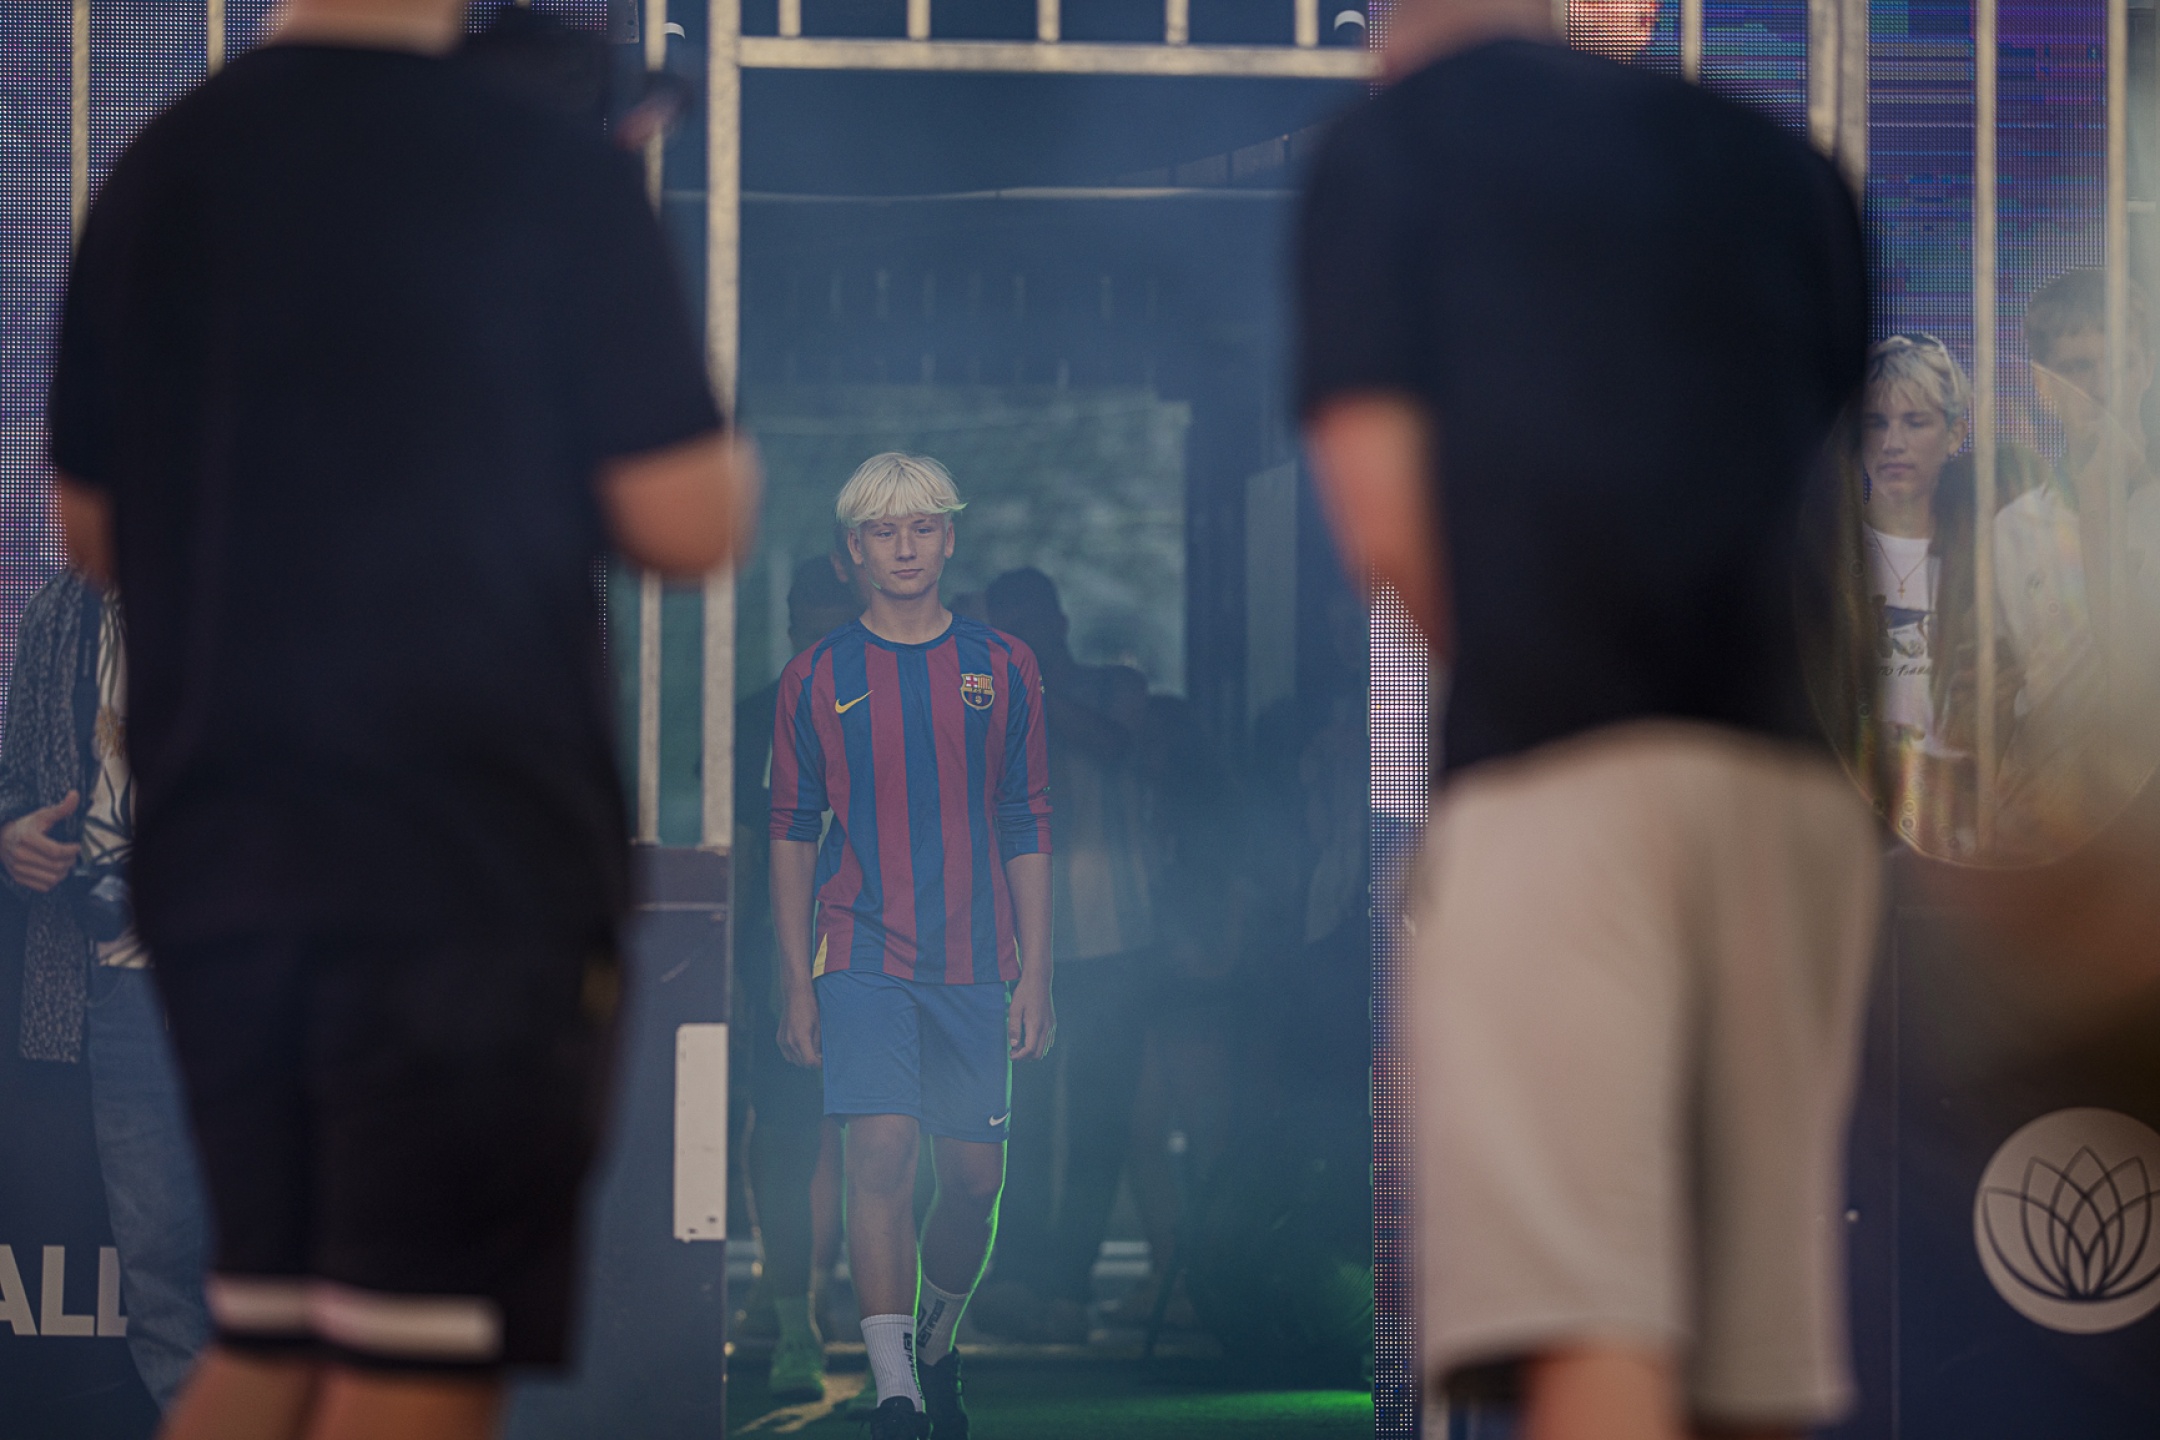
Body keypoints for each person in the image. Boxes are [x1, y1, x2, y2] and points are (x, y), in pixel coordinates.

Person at [44, 0, 758, 1435]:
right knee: (415, 1360)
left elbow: (93, 532)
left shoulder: (167, 165)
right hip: (458, 861)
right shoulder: (541, 164)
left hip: (220, 854)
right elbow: (688, 522)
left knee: (263, 1336)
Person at [1298, 2, 1876, 1438]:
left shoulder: (1392, 147)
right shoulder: (1783, 165)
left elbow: (1383, 514)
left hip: (1564, 779)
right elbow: (1828, 494)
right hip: (1800, 788)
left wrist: (1531, 675)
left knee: (1593, 1331)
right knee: (1753, 1358)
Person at [770, 453, 1053, 1440]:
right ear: (852, 550)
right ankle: (895, 1395)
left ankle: (936, 1344)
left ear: (948, 538)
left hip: (978, 961)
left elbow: (1026, 818)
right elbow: (790, 832)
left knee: (973, 1183)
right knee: (880, 1154)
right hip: (860, 953)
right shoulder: (816, 675)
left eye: (922, 528)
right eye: (883, 532)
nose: (904, 548)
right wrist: (796, 983)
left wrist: (1038, 973)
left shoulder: (1004, 664)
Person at [0, 570, 211, 1409]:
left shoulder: (268, 586)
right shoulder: (58, 611)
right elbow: (13, 777)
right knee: (160, 1283)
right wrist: (12, 835)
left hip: (246, 991)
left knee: (287, 1277)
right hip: (115, 988)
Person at [972, 566, 1151, 1345]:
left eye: (1031, 623)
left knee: (1099, 1119)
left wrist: (1027, 688)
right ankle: (1016, 1277)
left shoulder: (1115, 686)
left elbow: (1116, 745)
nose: (1024, 638)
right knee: (1019, 1116)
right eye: (1007, 628)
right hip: (1021, 941)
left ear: (1059, 621)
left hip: (1117, 936)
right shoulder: (986, 702)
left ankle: (1070, 1283)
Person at [734, 556, 861, 1403]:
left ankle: (878, 1329)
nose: (814, 646)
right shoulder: (758, 716)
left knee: (888, 1139)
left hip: (883, 948)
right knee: (784, 1132)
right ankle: (792, 1318)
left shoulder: (899, 705)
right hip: (784, 952)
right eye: (802, 629)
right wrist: (750, 971)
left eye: (828, 631)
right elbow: (746, 849)